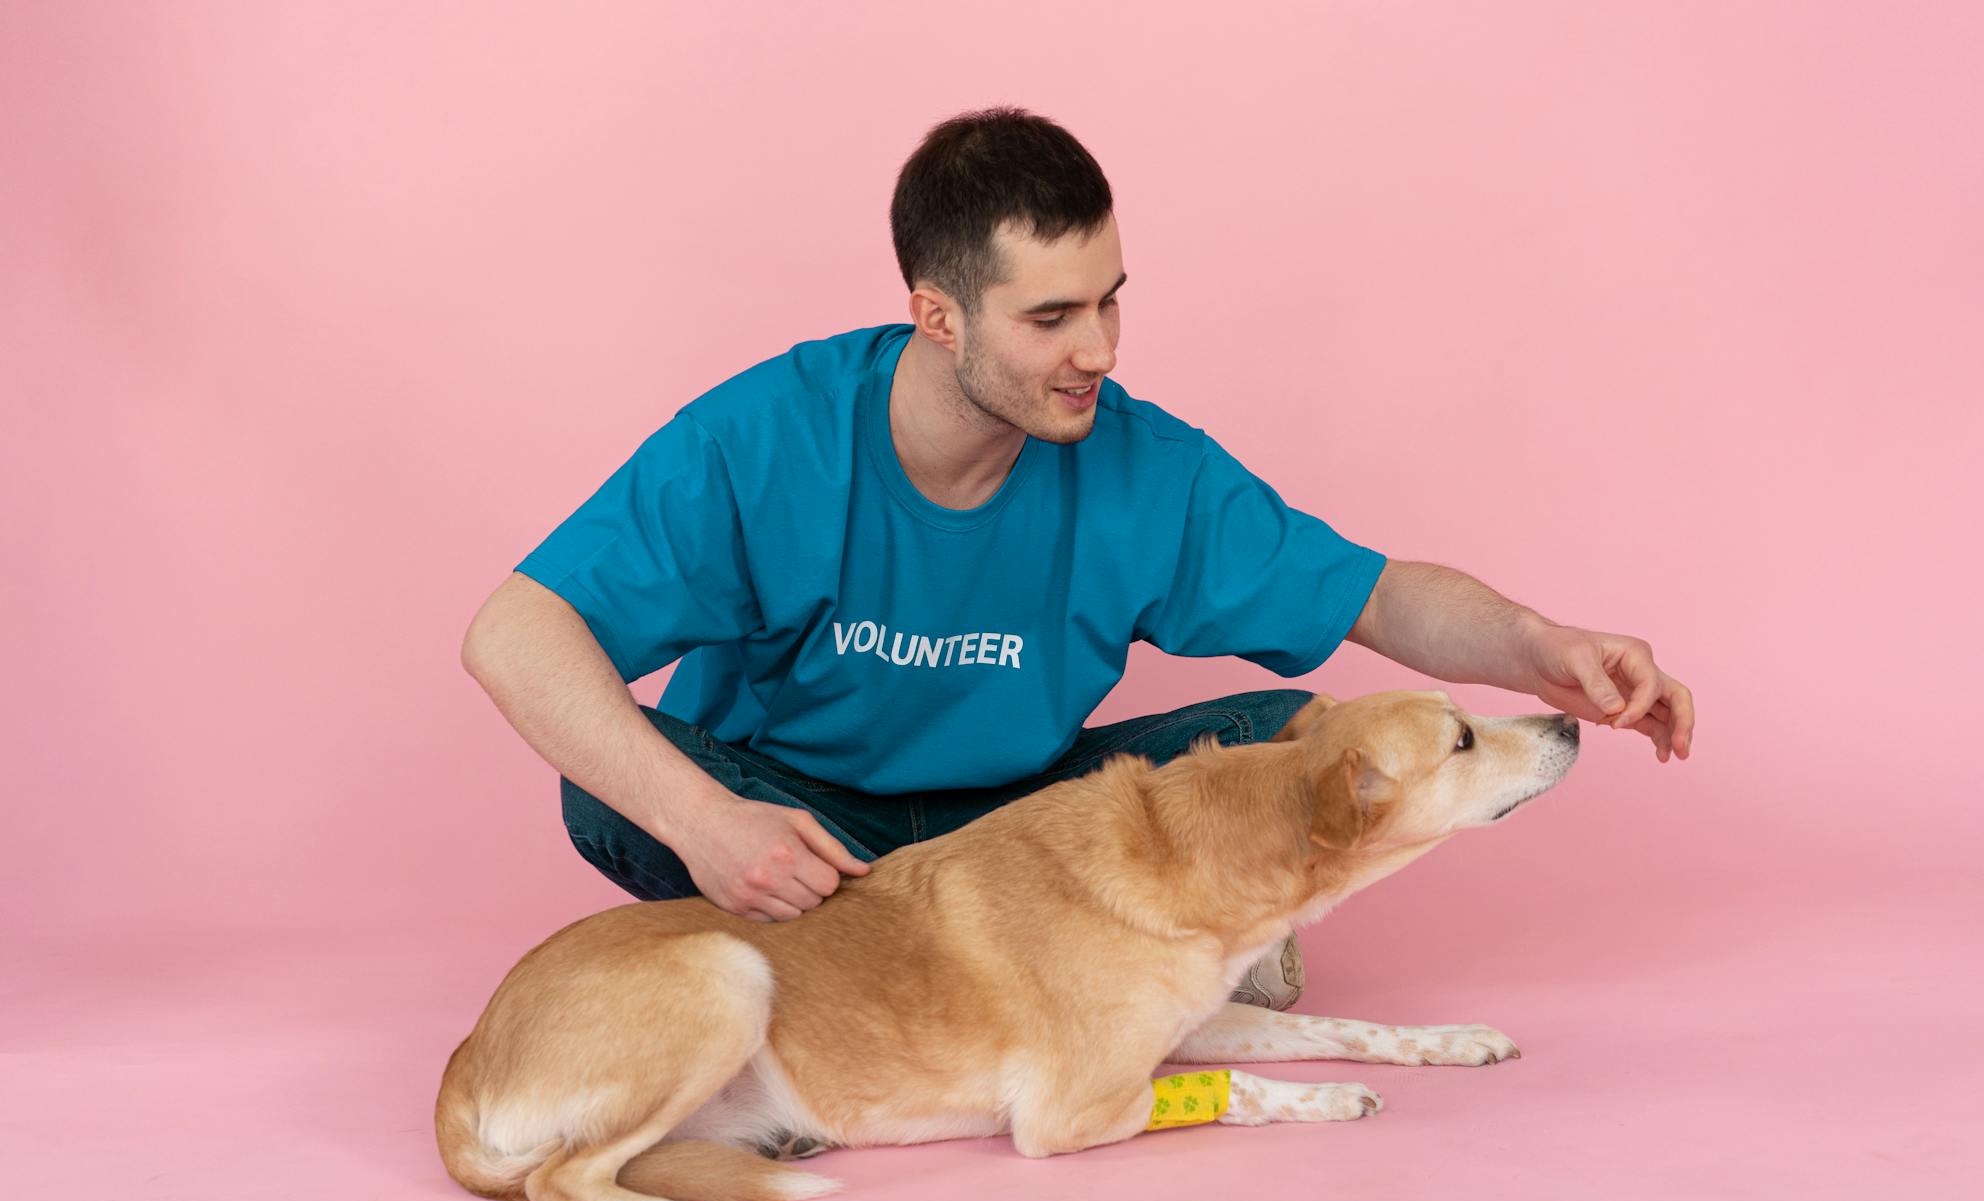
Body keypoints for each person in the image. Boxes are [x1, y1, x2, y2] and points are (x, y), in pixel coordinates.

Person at [460, 106, 1695, 1012]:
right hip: (808, 833)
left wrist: (1539, 648)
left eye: (1108, 300)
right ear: (936, 315)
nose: (1096, 348)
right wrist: (710, 822)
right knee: (608, 785)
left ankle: (1049, 958)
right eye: (1049, 318)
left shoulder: (1138, 462)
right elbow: (513, 631)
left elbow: (1372, 595)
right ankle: (1032, 963)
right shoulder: (765, 438)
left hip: (1024, 829)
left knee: (1293, 732)